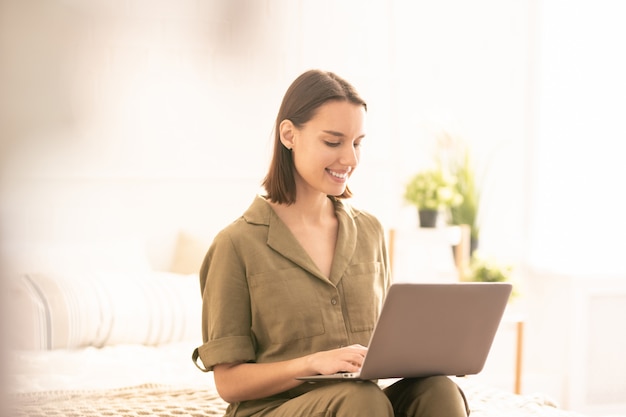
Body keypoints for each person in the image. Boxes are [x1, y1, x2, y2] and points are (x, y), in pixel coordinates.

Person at [192, 69, 470, 417]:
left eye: (357, 143)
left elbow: (381, 349)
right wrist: (313, 363)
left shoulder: (369, 231)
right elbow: (229, 383)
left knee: (439, 390)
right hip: (277, 409)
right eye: (333, 142)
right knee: (360, 400)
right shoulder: (236, 245)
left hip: (364, 404)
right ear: (289, 135)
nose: (350, 159)